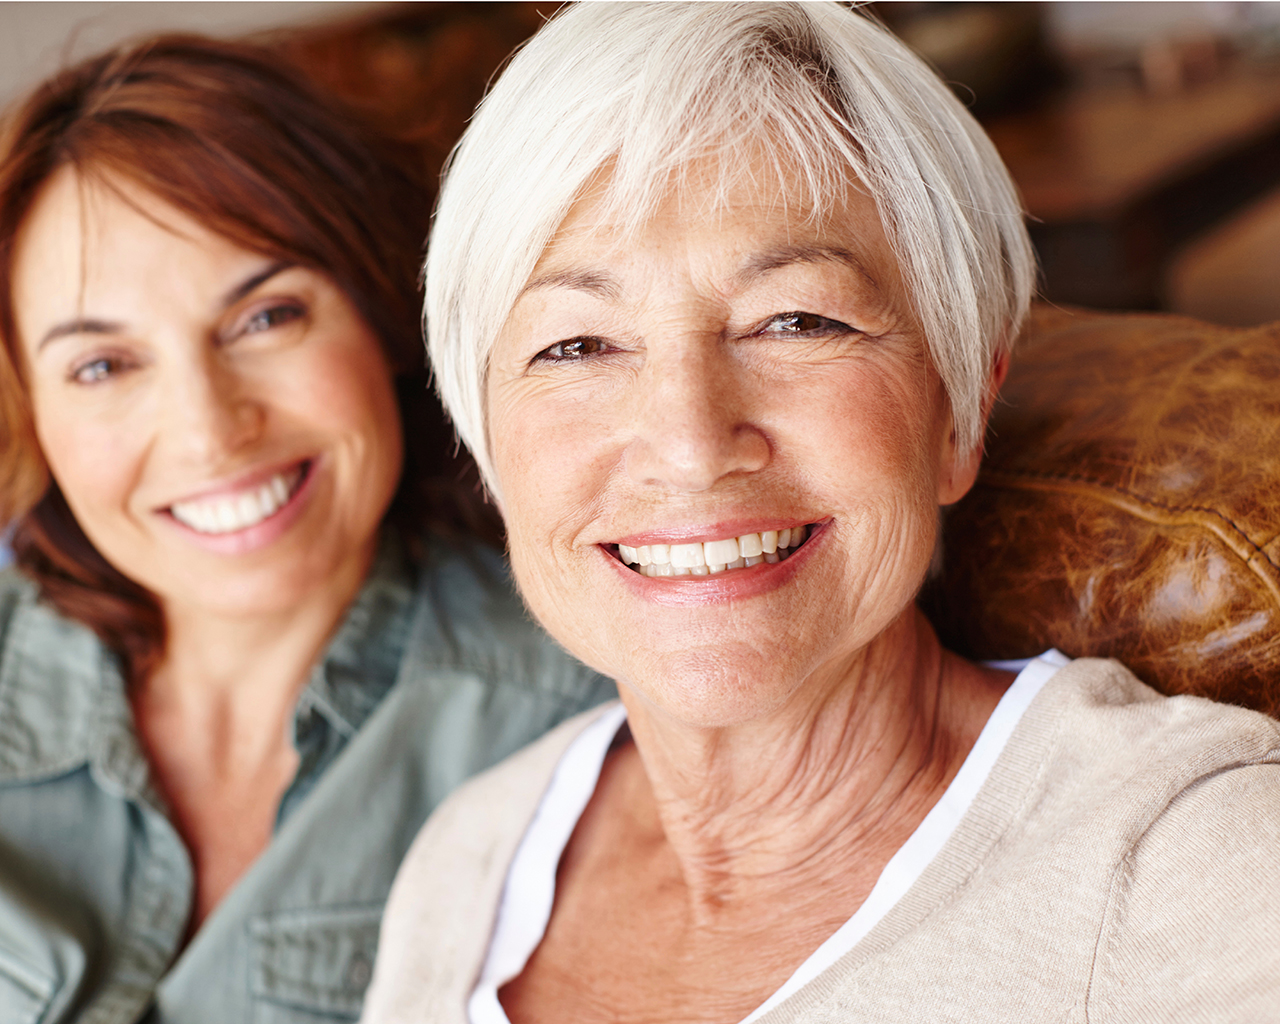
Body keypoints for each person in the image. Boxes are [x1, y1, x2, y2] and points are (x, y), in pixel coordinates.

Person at [361, 4, 1280, 1022]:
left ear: (959, 409)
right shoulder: (468, 858)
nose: (690, 441)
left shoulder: (1198, 880)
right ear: (487, 443)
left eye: (793, 320)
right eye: (575, 345)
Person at [0, 35, 614, 1023]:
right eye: (104, 366)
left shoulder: (578, 720)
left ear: (380, 311)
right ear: (32, 411)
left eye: (265, 317)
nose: (209, 433)